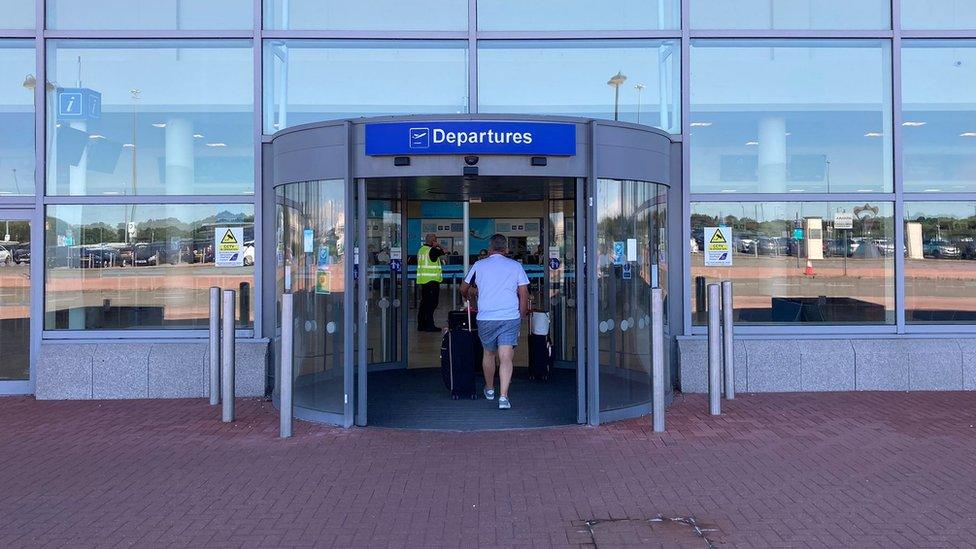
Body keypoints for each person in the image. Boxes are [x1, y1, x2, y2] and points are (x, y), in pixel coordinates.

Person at [460, 234, 530, 410]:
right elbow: (524, 293)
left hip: (486, 317)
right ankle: (504, 397)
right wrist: (521, 316)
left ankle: (490, 389)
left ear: (489, 249)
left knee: (489, 354)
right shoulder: (515, 266)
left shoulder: (479, 265)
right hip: (509, 317)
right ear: (506, 249)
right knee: (506, 357)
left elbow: (463, 288)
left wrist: (470, 296)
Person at [416, 233, 446, 332]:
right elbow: (445, 251)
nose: (436, 240)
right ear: (432, 240)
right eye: (435, 239)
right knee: (432, 304)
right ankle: (429, 325)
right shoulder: (432, 250)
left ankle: (421, 325)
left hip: (423, 281)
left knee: (424, 303)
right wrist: (438, 245)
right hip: (432, 281)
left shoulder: (421, 250)